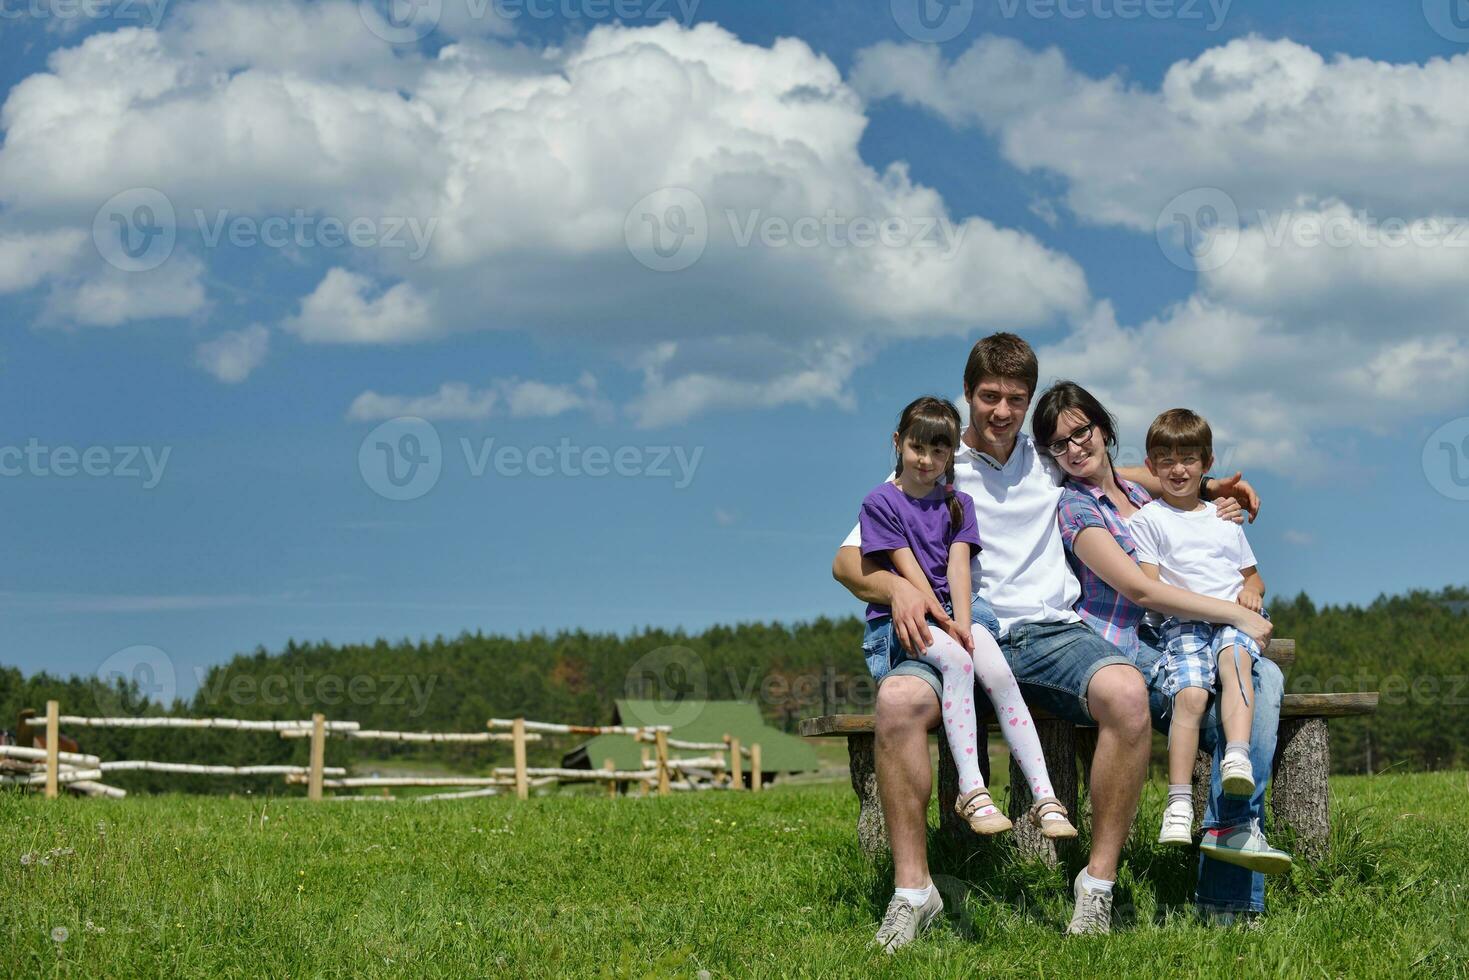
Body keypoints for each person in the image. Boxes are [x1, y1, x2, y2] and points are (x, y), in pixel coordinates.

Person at [833, 333, 1260, 950]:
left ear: (1029, 398)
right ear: (967, 393)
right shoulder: (934, 461)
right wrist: (896, 591)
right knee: (897, 703)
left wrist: (1210, 487)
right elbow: (847, 563)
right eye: (988, 397)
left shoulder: (1047, 456)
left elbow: (1121, 471)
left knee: (1126, 693)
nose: (1001, 411)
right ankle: (913, 893)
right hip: (954, 628)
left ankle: (1098, 886)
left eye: (1015, 398)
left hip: (1048, 631)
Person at [1032, 381, 1290, 919]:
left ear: (1103, 428)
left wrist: (1214, 490)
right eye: (1060, 444)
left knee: (1264, 683)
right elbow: (1141, 591)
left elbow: (1172, 488)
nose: (1076, 446)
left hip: (1187, 633)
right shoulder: (1076, 510)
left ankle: (1230, 845)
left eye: (1083, 431)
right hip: (1131, 649)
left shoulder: (1146, 495)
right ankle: (1230, 874)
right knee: (1241, 699)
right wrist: (1238, 613)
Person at [857, 395, 1078, 840]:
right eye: (918, 448)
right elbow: (908, 569)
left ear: (950, 454)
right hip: (906, 618)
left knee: (996, 669)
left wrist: (961, 620)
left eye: (939, 451)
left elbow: (960, 568)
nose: (927, 460)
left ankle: (1045, 797)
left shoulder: (958, 503)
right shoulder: (880, 502)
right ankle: (972, 791)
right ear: (898, 442)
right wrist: (945, 622)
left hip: (959, 610)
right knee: (958, 662)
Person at [1130, 409, 1290, 872]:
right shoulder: (1148, 520)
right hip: (1182, 624)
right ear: (1151, 465)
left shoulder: (1224, 520)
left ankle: (1236, 759)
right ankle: (1179, 803)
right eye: (1165, 459)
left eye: (1188, 458)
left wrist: (1250, 594)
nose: (1177, 469)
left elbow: (1255, 581)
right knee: (1192, 695)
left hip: (1234, 622)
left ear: (1207, 462)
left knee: (1236, 664)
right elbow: (1152, 588)